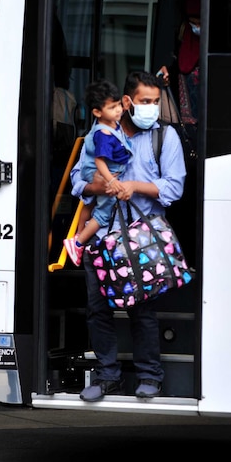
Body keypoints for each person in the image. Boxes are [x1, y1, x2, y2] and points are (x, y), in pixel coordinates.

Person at [69, 71, 186, 401]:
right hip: (102, 235)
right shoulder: (103, 133)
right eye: (144, 101)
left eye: (155, 102)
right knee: (98, 310)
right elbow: (79, 180)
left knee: (143, 311)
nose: (151, 107)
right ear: (126, 102)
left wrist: (132, 186)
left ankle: (150, 375)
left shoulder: (166, 138)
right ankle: (108, 376)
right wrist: (104, 185)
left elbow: (174, 188)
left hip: (142, 237)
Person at [63, 78, 133, 267]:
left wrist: (124, 105)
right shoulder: (104, 134)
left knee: (89, 202)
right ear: (97, 112)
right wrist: (111, 181)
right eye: (113, 107)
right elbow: (100, 161)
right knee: (103, 211)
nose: (118, 110)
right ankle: (78, 242)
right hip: (100, 172)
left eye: (119, 105)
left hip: (95, 170)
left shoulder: (109, 121)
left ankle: (78, 235)